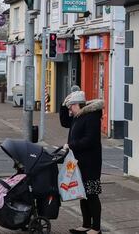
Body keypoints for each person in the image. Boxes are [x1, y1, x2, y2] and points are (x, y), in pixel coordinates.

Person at [60, 88, 104, 234]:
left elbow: (90, 140)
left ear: (77, 105)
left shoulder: (91, 117)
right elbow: (64, 122)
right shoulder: (78, 116)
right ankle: (86, 225)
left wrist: (71, 145)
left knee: (91, 194)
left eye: (70, 107)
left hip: (90, 163)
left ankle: (96, 228)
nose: (69, 110)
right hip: (79, 161)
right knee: (82, 194)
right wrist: (63, 104)